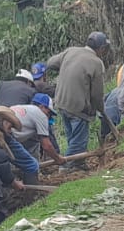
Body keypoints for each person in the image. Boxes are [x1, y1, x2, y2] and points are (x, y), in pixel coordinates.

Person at [45, 32, 110, 163]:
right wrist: (101, 109)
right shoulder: (96, 63)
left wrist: (66, 67)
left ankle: (78, 163)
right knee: (78, 141)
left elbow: (50, 62)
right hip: (78, 107)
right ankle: (66, 166)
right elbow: (97, 94)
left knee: (72, 137)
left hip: (61, 102)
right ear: (102, 48)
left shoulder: (71, 51)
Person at [0, 105, 42, 186]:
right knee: (32, 165)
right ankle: (32, 195)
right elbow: (0, 162)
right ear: (3, 121)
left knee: (32, 164)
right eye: (10, 127)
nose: (10, 131)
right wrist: (12, 181)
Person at [11, 93, 64, 164]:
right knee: (32, 166)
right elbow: (46, 145)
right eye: (49, 113)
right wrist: (58, 159)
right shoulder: (40, 115)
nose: (48, 116)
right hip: (7, 137)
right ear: (42, 107)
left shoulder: (24, 108)